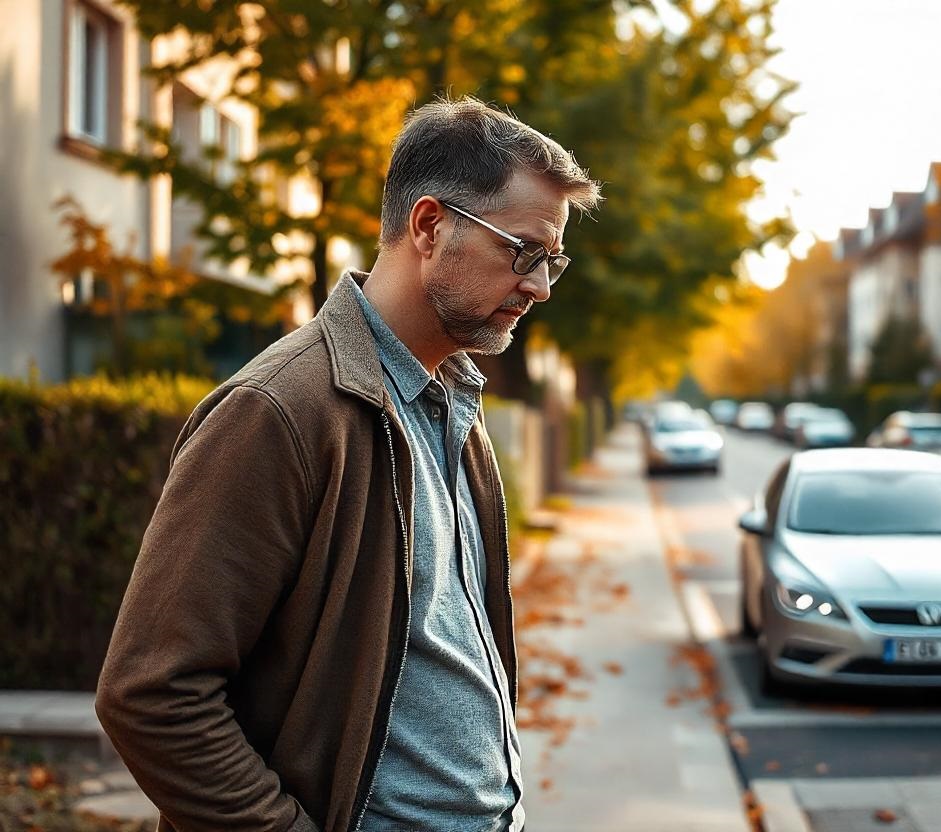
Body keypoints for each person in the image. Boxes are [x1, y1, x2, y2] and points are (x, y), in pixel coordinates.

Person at [95, 95, 602, 832]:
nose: (539, 286)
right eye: (521, 252)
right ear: (430, 226)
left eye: (552, 259)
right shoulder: (279, 411)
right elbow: (150, 694)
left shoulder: (453, 405)